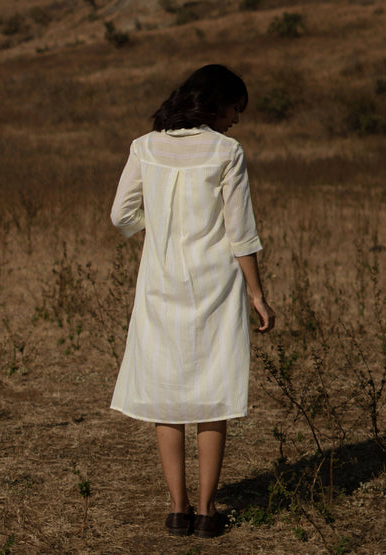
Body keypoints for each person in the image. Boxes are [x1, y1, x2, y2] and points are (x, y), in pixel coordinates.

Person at [110, 64, 275, 538]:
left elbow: (121, 216)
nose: (236, 120)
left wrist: (157, 222)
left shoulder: (145, 146)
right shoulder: (227, 152)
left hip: (159, 287)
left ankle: (177, 510)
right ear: (214, 103)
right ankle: (206, 512)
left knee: (167, 399)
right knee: (212, 396)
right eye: (234, 109)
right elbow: (241, 232)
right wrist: (257, 294)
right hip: (215, 289)